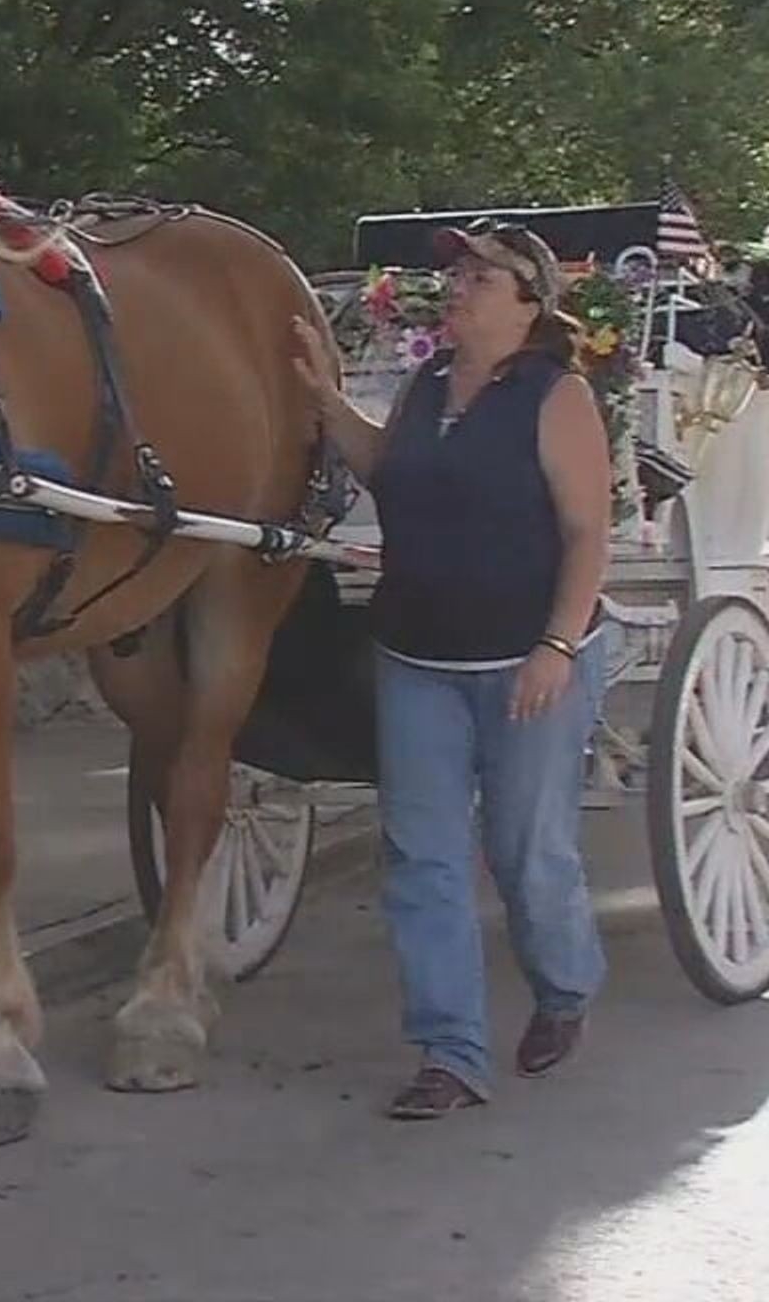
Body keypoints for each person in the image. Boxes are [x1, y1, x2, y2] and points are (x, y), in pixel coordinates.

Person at [292, 219, 611, 1119]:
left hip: (525, 663)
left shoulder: (556, 396)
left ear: (528, 305)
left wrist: (557, 645)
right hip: (417, 658)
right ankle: (450, 1053)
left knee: (524, 851)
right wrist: (326, 399)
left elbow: (589, 535)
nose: (459, 286)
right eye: (458, 272)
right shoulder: (430, 383)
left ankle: (564, 989)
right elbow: (388, 472)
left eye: (482, 275)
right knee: (421, 858)